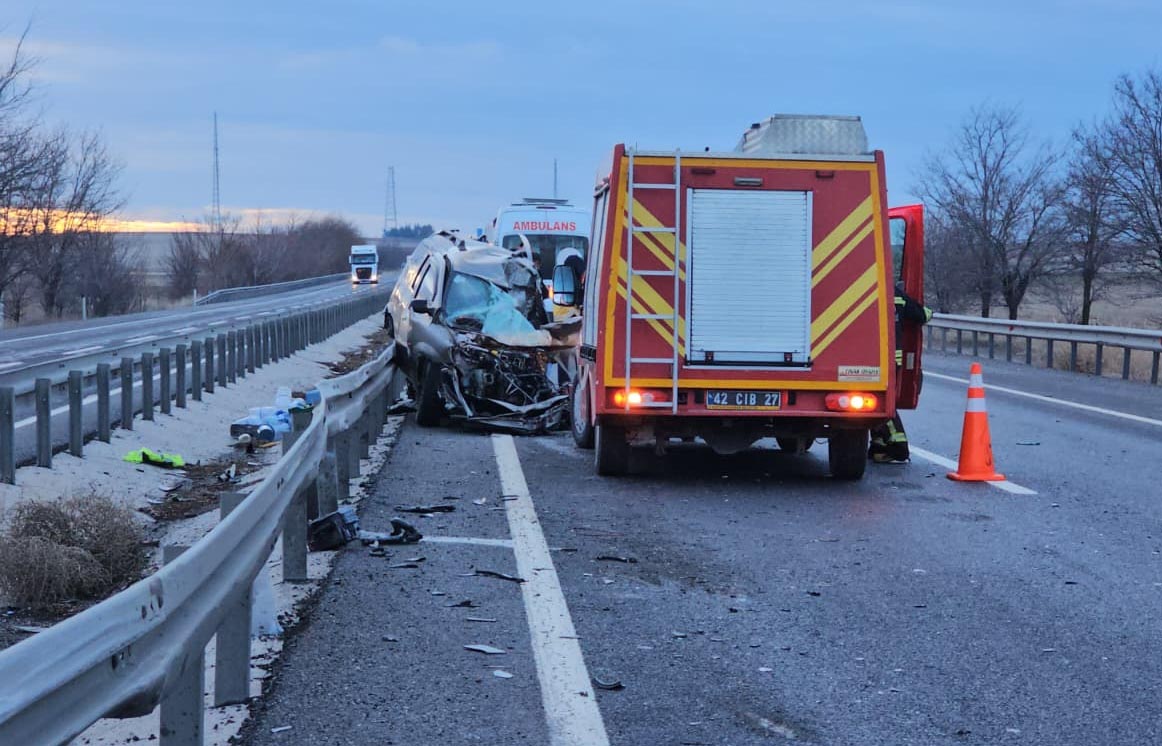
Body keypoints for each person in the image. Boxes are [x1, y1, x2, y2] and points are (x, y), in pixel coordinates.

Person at [869, 282, 933, 463]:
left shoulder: (862, 287)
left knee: (878, 404)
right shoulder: (895, 293)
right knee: (877, 402)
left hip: (868, 360)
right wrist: (929, 311)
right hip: (891, 360)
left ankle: (898, 447)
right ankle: (880, 444)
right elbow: (922, 315)